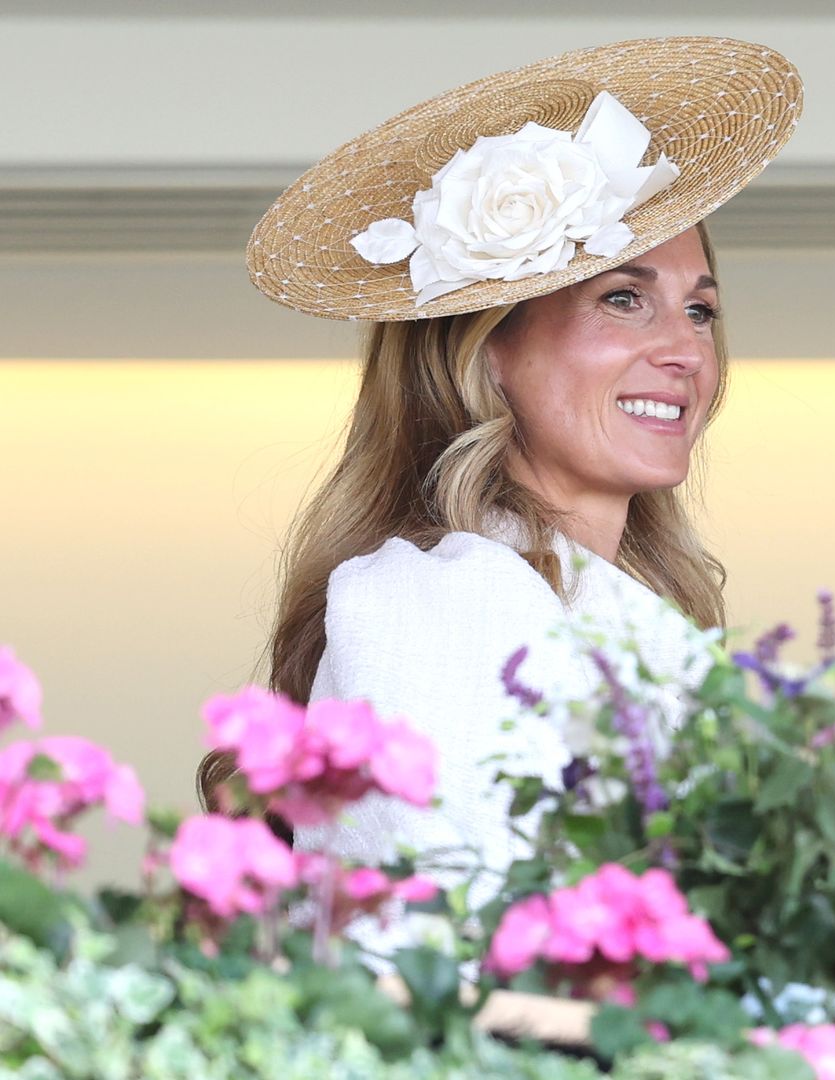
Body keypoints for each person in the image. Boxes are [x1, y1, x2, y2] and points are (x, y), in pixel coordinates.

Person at [195, 39, 803, 904]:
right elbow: (454, 950)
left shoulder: (615, 609)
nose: (685, 350)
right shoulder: (432, 598)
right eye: (623, 299)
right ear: (488, 351)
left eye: (700, 310)